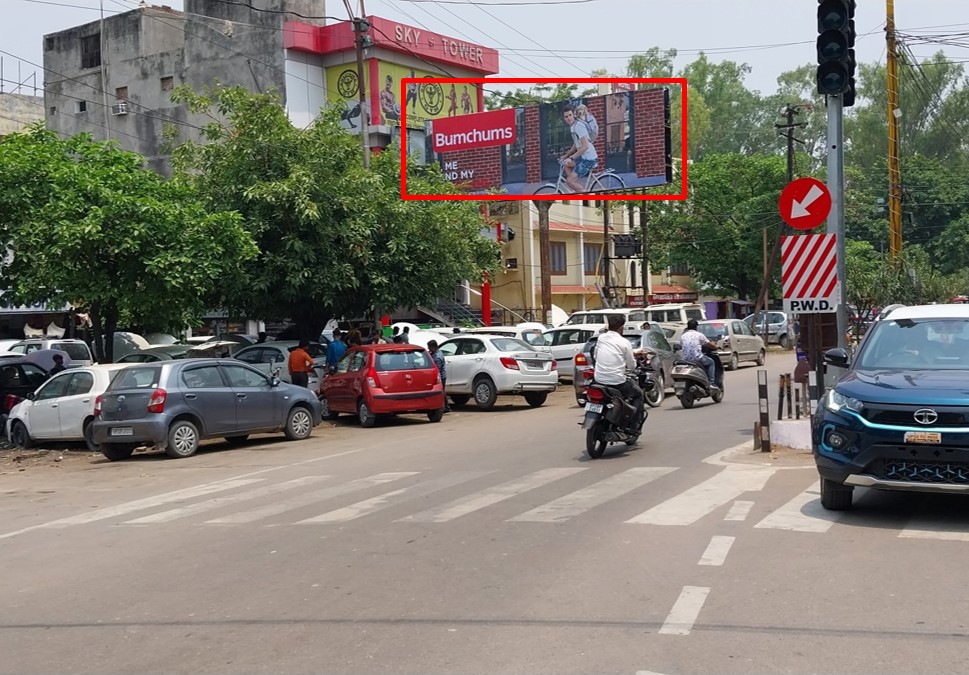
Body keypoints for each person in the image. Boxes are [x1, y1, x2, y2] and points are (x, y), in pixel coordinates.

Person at [592, 314, 644, 429]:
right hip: (617, 382)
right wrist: (633, 366)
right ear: (621, 328)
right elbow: (631, 365)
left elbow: (596, 356)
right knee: (638, 394)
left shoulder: (601, 338)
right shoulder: (624, 342)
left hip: (598, 380)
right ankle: (633, 425)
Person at [559, 105, 598, 193]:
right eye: (566, 117)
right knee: (566, 164)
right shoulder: (573, 126)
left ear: (574, 115)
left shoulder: (578, 126)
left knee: (569, 181)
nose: (569, 118)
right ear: (564, 118)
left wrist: (571, 157)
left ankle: (583, 193)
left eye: (570, 115)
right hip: (584, 157)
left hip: (589, 159)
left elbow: (585, 146)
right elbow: (576, 144)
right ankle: (576, 186)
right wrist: (566, 155)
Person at [680, 319, 719, 389]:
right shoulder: (699, 335)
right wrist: (716, 346)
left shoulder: (683, 336)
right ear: (696, 327)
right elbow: (710, 345)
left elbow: (682, 345)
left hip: (685, 360)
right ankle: (711, 383)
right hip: (697, 358)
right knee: (711, 362)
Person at [427, 340, 450, 412]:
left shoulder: (437, 357)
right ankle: (446, 406)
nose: (429, 349)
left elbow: (437, 369)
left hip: (441, 376)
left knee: (441, 391)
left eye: (429, 347)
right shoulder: (439, 352)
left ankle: (445, 406)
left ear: (433, 347)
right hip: (443, 375)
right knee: (442, 391)